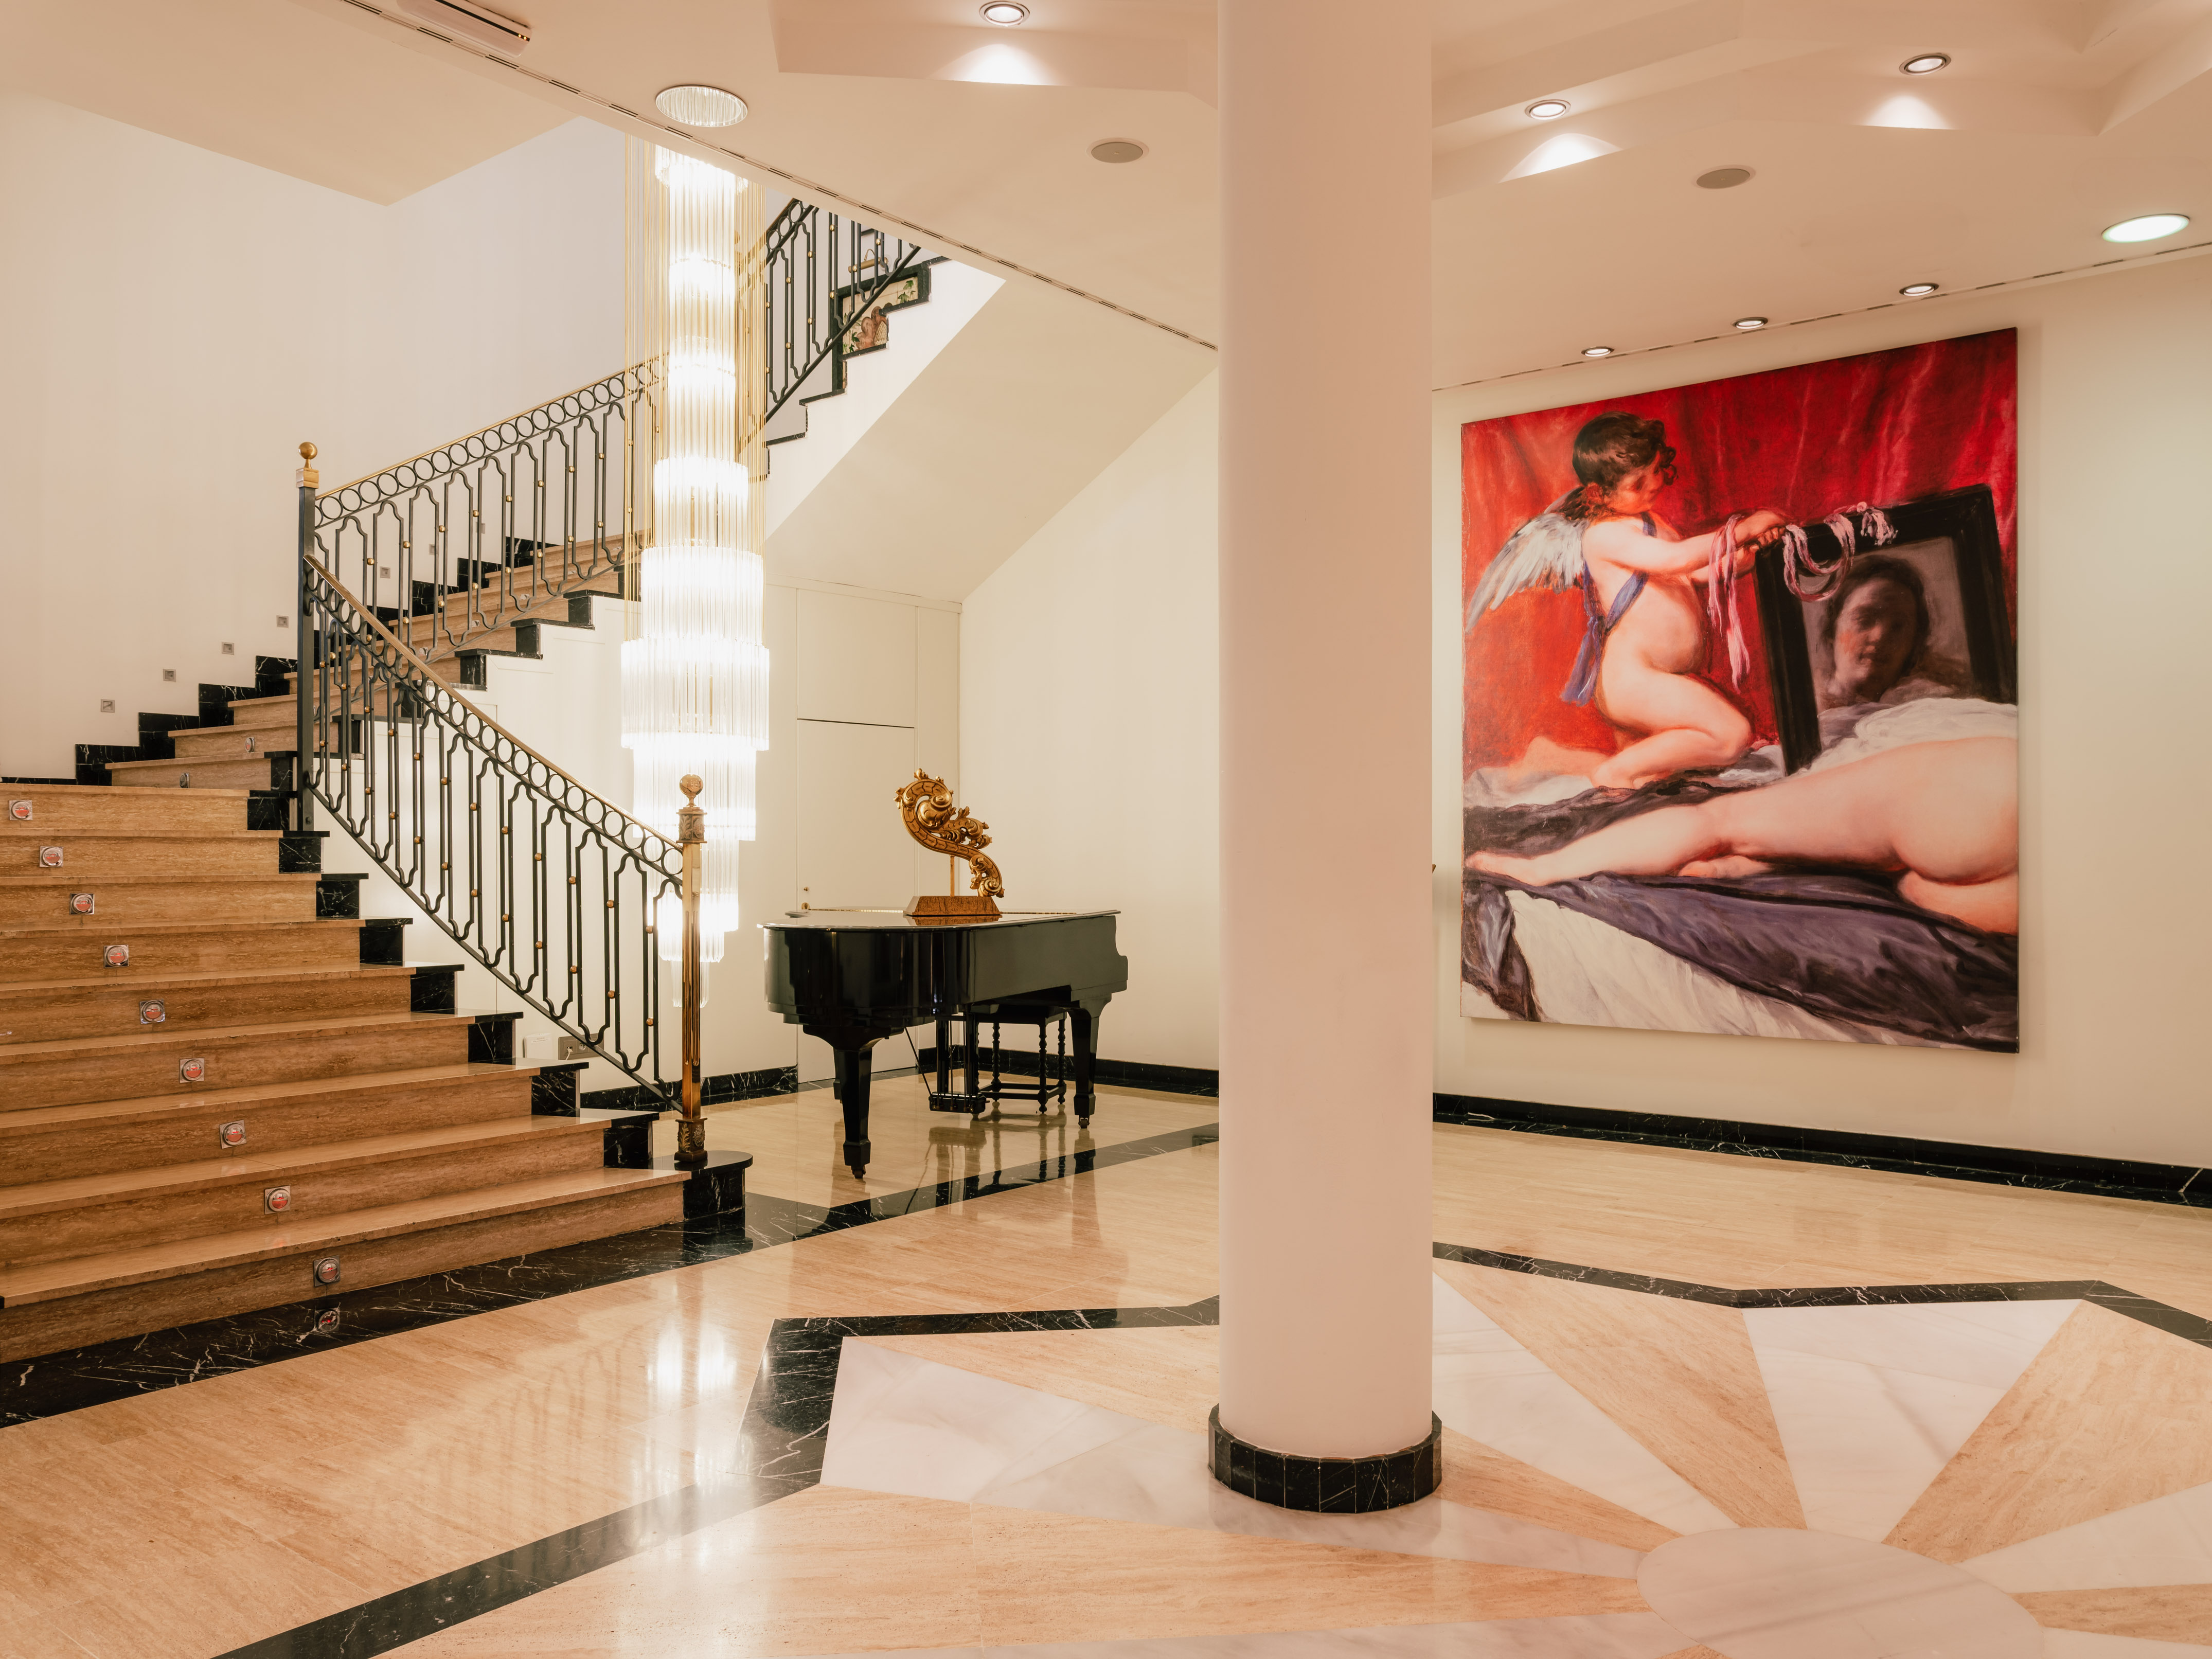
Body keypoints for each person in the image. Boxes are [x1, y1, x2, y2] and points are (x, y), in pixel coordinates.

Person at [1468, 414, 1787, 790]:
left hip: (1657, 675)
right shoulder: (1601, 537)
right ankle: (1612, 776)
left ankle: (1553, 757)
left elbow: (1687, 575)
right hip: (1633, 679)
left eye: (1655, 470)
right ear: (1597, 494)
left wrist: (1739, 559)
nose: (1654, 483)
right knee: (1731, 734)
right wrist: (1743, 528)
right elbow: (1677, 559)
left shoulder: (1650, 522)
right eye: (1638, 483)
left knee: (1658, 769)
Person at [1467, 736, 2018, 934]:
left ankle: (1538, 868)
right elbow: (1926, 890)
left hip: (1975, 793)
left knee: (1721, 821)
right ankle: (1757, 861)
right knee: (1917, 886)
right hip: (2001, 831)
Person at [1818, 556, 1938, 708]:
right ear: (1832, 632)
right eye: (1864, 620)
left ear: (1914, 643)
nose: (1879, 637)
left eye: (1897, 626)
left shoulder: (1926, 709)